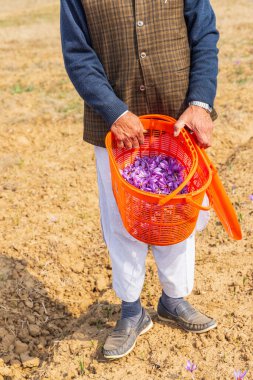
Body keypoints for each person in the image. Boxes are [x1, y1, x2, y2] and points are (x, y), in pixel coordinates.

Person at [60, 0, 219, 360]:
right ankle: (132, 310)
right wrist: (114, 111)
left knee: (177, 212)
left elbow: (204, 34)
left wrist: (200, 103)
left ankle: (173, 299)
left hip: (178, 116)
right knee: (120, 219)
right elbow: (78, 54)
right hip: (113, 126)